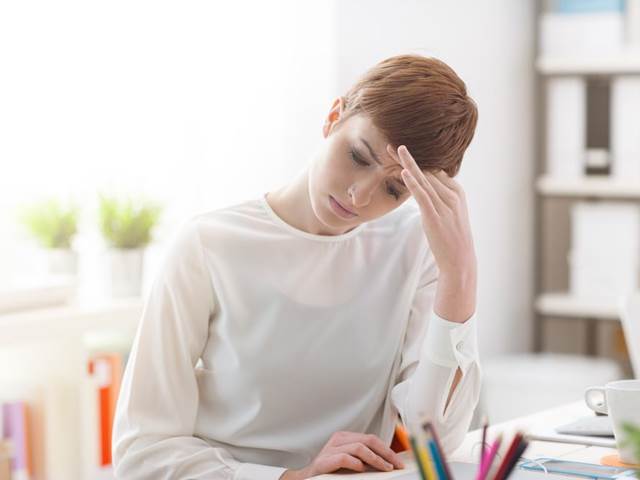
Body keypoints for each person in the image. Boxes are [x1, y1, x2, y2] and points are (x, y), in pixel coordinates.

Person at [112, 53, 481, 480]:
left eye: (394, 189)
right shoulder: (209, 245)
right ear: (333, 117)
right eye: (358, 156)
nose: (360, 195)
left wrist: (460, 274)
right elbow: (143, 452)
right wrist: (291, 477)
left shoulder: (415, 247)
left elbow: (435, 439)